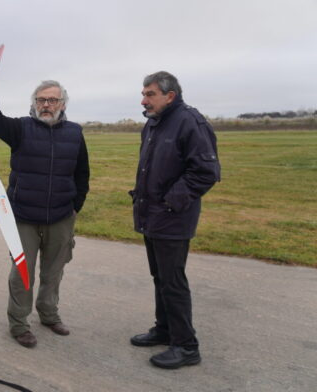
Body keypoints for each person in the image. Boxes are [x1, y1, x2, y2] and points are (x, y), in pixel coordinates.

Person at [0, 60, 90, 348]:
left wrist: (74, 206)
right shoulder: (21, 129)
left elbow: (82, 174)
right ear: (34, 103)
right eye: (41, 100)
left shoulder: (75, 133)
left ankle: (49, 314)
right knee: (22, 273)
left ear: (62, 104)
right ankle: (18, 324)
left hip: (61, 216)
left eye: (52, 100)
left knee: (54, 272)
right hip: (24, 217)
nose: (46, 104)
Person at [129, 71, 220, 369]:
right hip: (152, 215)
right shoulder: (154, 124)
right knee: (161, 278)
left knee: (173, 282)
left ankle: (186, 346)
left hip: (172, 218)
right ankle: (165, 329)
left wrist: (171, 201)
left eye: (150, 94)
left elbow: (206, 172)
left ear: (170, 95)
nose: (144, 100)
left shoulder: (190, 122)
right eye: (143, 94)